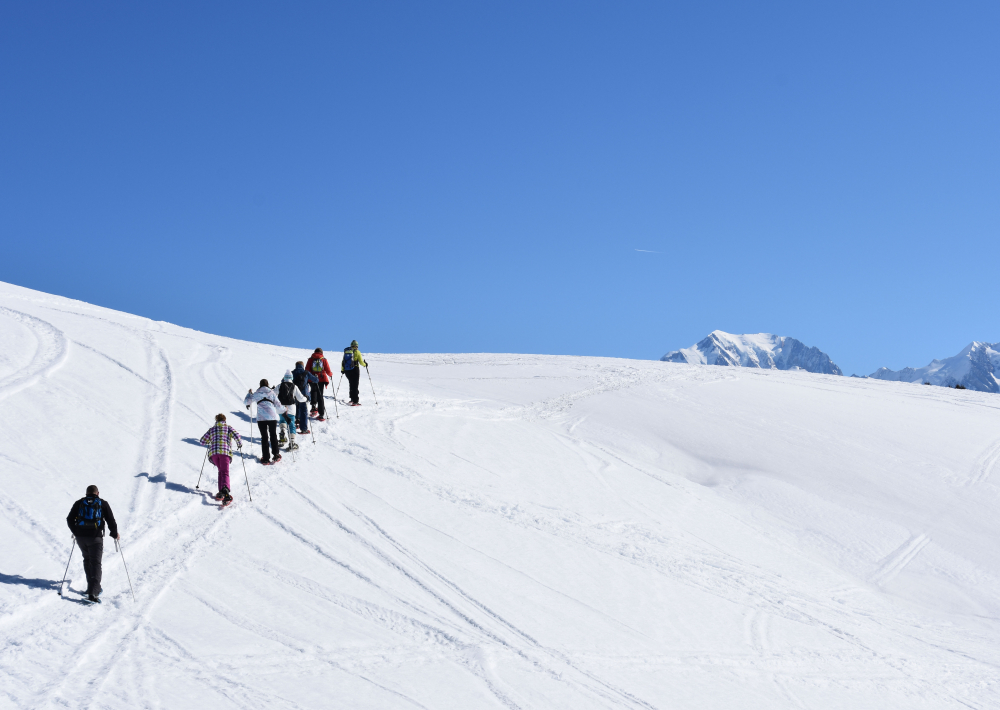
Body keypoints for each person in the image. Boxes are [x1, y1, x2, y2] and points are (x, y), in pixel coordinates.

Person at [66, 485, 119, 603]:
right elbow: (111, 519)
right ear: (97, 493)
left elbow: (69, 519)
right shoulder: (102, 503)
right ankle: (93, 593)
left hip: (81, 538)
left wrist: (76, 532)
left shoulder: (79, 503)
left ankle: (91, 588)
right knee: (95, 563)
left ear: (86, 493)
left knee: (87, 560)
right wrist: (115, 533)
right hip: (95, 537)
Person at [199, 413, 242, 503]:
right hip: (225, 452)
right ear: (224, 420)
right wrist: (239, 444)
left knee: (220, 471)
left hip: (214, 454)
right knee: (225, 472)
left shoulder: (211, 430)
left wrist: (210, 440)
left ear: (216, 420)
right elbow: (237, 435)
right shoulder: (228, 427)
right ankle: (225, 491)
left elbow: (202, 441)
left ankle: (221, 492)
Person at [244, 379, 282, 465]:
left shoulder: (257, 394)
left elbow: (246, 402)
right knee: (273, 435)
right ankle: (276, 454)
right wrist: (285, 409)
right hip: (272, 417)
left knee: (264, 437)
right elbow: (278, 405)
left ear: (260, 385)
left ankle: (265, 458)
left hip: (261, 418)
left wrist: (249, 394)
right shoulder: (272, 393)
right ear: (268, 384)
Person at [276, 371, 308, 449]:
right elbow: (300, 398)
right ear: (291, 378)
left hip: (281, 407)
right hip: (291, 408)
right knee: (291, 425)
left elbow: (273, 394)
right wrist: (306, 398)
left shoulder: (279, 386)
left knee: (282, 421)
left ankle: (283, 432)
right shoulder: (294, 386)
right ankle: (292, 443)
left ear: (284, 377)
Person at [305, 348, 333, 421]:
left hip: (312, 378)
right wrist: (330, 374)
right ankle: (321, 414)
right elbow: (327, 370)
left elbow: (307, 370)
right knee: (320, 395)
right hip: (321, 379)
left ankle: (313, 407)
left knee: (313, 391)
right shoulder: (323, 359)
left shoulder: (311, 359)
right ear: (321, 352)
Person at [342, 340, 368, 406]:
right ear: (357, 346)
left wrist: (343, 370)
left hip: (347, 370)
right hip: (355, 369)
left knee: (351, 384)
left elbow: (343, 362)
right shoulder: (357, 352)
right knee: (355, 385)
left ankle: (351, 399)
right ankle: (355, 401)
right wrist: (365, 364)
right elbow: (361, 362)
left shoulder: (346, 352)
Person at [291, 361, 311, 434]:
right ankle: (304, 429)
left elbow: (283, 380)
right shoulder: (306, 372)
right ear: (303, 366)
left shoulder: (292, 372)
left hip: (295, 394)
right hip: (304, 395)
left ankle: (297, 421)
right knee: (304, 411)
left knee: (296, 407)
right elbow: (315, 380)